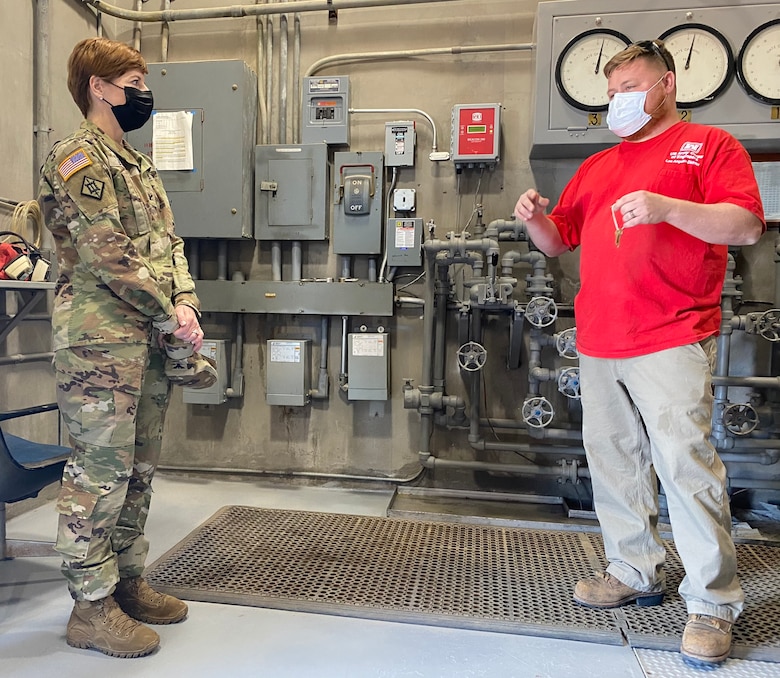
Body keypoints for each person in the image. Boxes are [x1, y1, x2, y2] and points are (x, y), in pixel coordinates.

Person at [514, 39, 764, 669]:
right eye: (612, 91)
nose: (618, 102)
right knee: (614, 463)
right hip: (600, 340)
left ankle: (711, 603)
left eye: (630, 88)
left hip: (672, 335)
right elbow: (556, 241)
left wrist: (667, 206)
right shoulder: (599, 166)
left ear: (666, 84)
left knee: (685, 465)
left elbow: (745, 226)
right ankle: (633, 568)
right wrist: (534, 218)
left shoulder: (709, 147)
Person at [38, 37, 215, 658]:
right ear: (100, 86)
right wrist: (173, 320)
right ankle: (90, 608)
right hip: (100, 343)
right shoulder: (75, 159)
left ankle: (127, 584)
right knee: (99, 471)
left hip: (149, 337)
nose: (143, 91)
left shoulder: (138, 167)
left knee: (138, 469)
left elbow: (170, 245)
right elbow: (112, 258)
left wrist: (187, 304)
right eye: (133, 80)